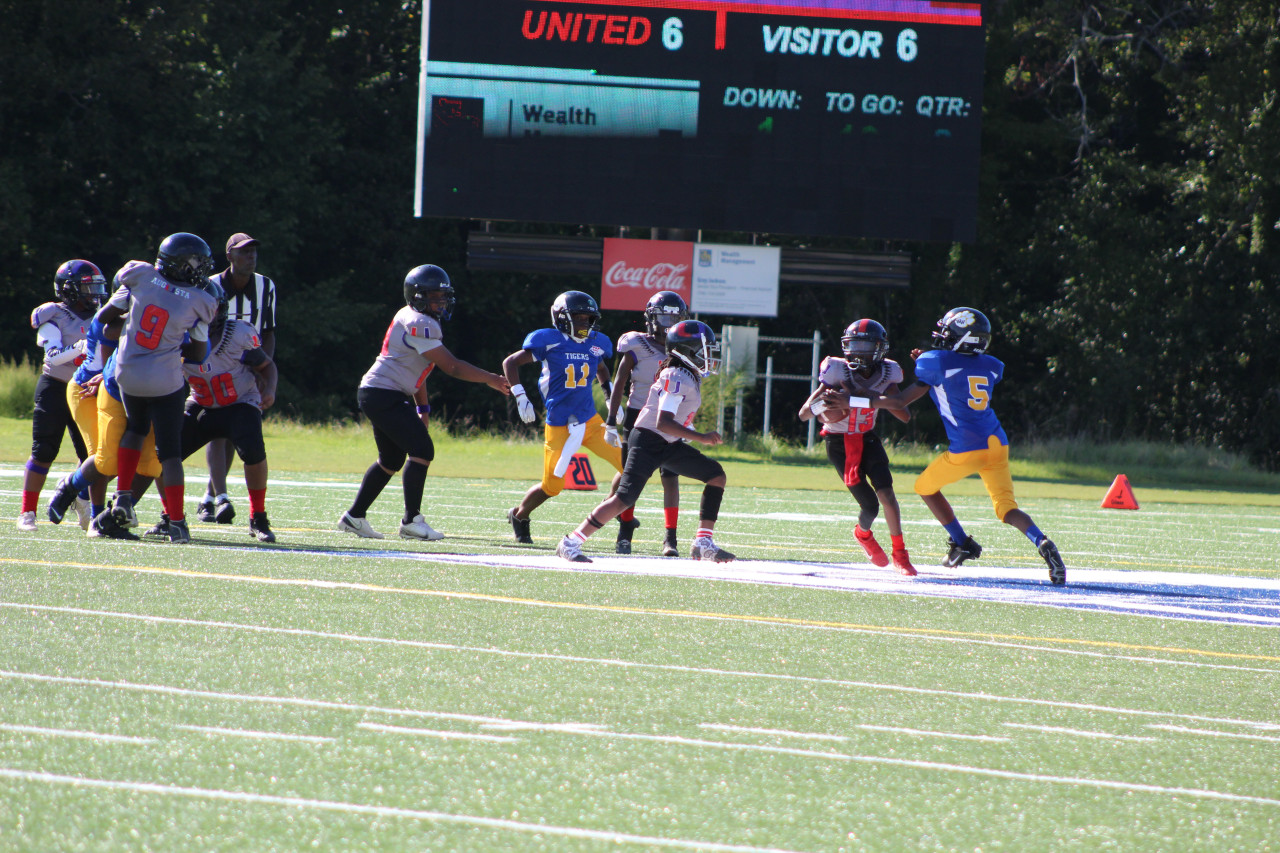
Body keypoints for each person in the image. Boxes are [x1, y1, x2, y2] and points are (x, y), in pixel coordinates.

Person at [866, 307, 1066, 585]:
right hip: (998, 443)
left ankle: (961, 542)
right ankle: (1043, 543)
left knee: (924, 487)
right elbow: (959, 372)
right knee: (1006, 508)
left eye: (948, 334)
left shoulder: (935, 362)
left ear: (964, 338)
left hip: (967, 448)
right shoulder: (991, 365)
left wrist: (855, 401)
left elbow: (901, 402)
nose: (941, 337)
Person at [337, 265, 509, 540]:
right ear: (416, 296)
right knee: (422, 449)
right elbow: (451, 367)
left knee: (391, 459)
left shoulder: (419, 320)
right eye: (434, 295)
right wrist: (490, 378)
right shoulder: (421, 323)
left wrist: (423, 408)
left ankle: (354, 517)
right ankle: (411, 521)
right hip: (384, 393)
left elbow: (420, 370)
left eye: (443, 295)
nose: (440, 301)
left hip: (381, 392)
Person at [556, 320, 734, 564]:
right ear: (687, 350)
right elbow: (663, 422)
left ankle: (703, 542)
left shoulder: (685, 373)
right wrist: (701, 437)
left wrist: (689, 429)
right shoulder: (676, 373)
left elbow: (675, 418)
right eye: (703, 349)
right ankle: (570, 543)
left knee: (716, 475)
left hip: (667, 443)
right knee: (624, 498)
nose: (708, 355)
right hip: (649, 440)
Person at [93, 232, 220, 544]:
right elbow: (197, 353)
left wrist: (132, 324)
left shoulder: (139, 275)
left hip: (128, 373)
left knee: (135, 430)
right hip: (164, 379)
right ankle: (176, 523)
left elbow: (103, 319)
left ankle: (122, 497)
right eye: (195, 261)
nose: (199, 267)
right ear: (180, 263)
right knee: (170, 452)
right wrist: (175, 342)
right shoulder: (202, 300)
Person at [142, 281, 279, 542]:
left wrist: (269, 389)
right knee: (164, 453)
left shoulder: (238, 333)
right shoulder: (176, 337)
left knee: (253, 449)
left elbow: (266, 365)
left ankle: (258, 517)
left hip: (240, 402)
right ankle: (170, 516)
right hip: (202, 404)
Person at [503, 290, 624, 545]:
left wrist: (611, 394)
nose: (584, 324)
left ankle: (607, 510)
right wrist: (520, 395)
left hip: (590, 421)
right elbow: (510, 362)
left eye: (587, 318)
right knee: (552, 487)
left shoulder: (595, 342)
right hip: (560, 425)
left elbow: (601, 367)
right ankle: (520, 515)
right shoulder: (549, 341)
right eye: (578, 318)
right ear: (561, 318)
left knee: (631, 465)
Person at [798, 319, 916, 576]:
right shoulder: (836, 370)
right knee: (870, 506)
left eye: (865, 344)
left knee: (888, 495)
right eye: (854, 344)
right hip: (839, 443)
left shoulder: (888, 372)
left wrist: (857, 400)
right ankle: (863, 534)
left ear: (879, 347)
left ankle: (901, 555)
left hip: (867, 438)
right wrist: (828, 404)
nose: (858, 351)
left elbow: (903, 413)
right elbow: (805, 414)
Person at [197, 232, 278, 525]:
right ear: (229, 256)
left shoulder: (265, 285)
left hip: (249, 362)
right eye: (244, 252)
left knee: (236, 433)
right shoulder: (211, 286)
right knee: (216, 428)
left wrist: (262, 371)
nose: (251, 257)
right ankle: (218, 497)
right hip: (213, 362)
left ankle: (211, 496)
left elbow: (268, 331)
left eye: (253, 252)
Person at [17, 260, 104, 531]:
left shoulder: (102, 314)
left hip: (86, 388)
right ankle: (27, 512)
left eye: (97, 287)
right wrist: (82, 347)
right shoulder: (54, 315)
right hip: (55, 387)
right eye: (88, 288)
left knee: (91, 453)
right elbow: (53, 359)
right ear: (70, 289)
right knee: (43, 450)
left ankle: (78, 495)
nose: (95, 294)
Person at [605, 290, 689, 556]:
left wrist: (688, 420)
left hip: (669, 416)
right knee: (632, 477)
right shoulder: (635, 344)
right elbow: (619, 380)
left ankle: (670, 539)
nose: (669, 325)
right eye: (664, 318)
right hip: (638, 416)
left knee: (670, 477)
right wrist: (611, 419)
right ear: (651, 319)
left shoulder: (684, 347)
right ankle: (625, 532)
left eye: (674, 319)